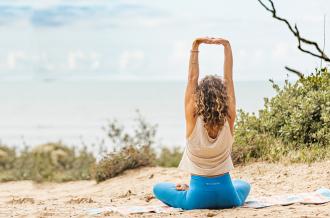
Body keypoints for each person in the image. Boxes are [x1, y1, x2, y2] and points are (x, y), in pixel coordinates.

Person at [153, 37, 251, 210]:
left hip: (196, 199)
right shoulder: (229, 117)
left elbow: (192, 79)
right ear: (223, 97)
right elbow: (229, 78)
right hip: (229, 197)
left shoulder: (192, 118)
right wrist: (226, 46)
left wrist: (195, 46)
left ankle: (189, 189)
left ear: (199, 97)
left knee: (158, 188)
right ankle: (212, 189)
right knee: (244, 185)